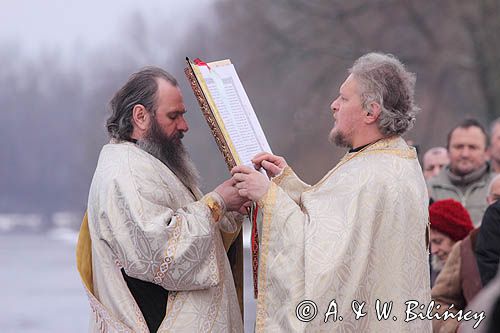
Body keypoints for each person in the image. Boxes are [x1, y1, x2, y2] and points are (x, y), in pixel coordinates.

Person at [231, 53, 431, 331]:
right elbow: (335, 224)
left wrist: (267, 196)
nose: (333, 105)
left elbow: (322, 260)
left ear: (371, 112)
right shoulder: (396, 160)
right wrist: (287, 184)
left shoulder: (369, 175)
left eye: (344, 99)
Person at [76, 67, 246, 332]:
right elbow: (159, 251)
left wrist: (230, 208)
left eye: (182, 115)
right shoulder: (127, 173)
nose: (184, 125)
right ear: (141, 116)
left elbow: (192, 232)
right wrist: (217, 202)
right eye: (173, 116)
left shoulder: (147, 164)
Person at [431, 176, 500, 333]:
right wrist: (457, 326)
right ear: (488, 200)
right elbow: (438, 302)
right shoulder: (466, 248)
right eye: (497, 199)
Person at [428, 119, 494, 226]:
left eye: (472, 147)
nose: (465, 154)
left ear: (486, 152)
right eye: (459, 147)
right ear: (448, 151)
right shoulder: (429, 189)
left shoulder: (496, 189)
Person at [429, 199, 475, 285]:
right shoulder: (434, 270)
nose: (433, 250)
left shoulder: (475, 274)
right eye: (430, 243)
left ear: (458, 238)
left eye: (438, 241)